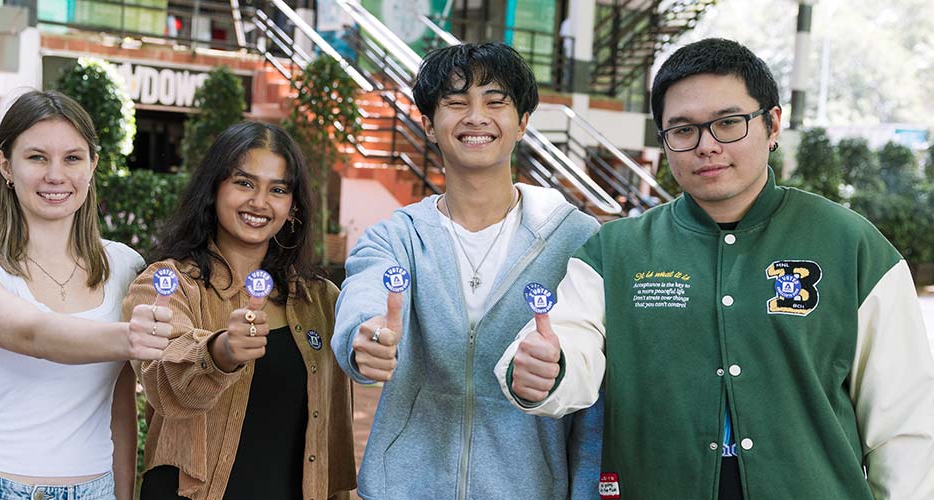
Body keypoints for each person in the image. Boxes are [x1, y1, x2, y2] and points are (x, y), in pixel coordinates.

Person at [498, 38, 934, 499]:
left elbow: (904, 424)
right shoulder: (617, 251)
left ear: (772, 124)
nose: (706, 146)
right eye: (683, 130)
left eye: (728, 123)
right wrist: (546, 371)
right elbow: (568, 342)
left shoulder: (851, 245)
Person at [332, 42, 603, 500]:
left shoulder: (578, 239)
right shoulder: (395, 237)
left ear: (523, 122)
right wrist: (365, 338)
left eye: (495, 102)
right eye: (456, 103)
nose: (476, 117)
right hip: (406, 490)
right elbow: (365, 293)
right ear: (428, 125)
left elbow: (593, 371)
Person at [0, 90, 173, 500]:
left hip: (95, 489)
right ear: (5, 165)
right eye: (37, 157)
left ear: (92, 165)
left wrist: (122, 494)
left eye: (72, 158)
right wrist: (131, 337)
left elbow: (120, 406)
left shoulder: (125, 266)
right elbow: (33, 333)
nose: (55, 175)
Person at [124, 121, 355, 500]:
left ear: (293, 207)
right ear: (213, 189)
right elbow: (163, 382)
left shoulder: (321, 300)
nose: (259, 202)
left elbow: (330, 436)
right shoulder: (167, 283)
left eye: (277, 189)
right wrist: (221, 352)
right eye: (244, 183)